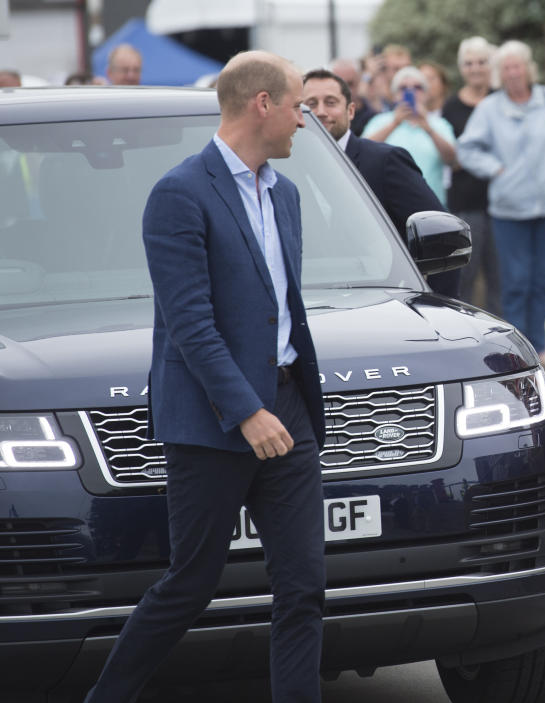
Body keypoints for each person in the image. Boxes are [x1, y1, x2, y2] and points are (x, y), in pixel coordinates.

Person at [83, 51, 326, 702]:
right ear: (262, 104)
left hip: (288, 406)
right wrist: (246, 409)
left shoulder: (288, 194)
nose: (306, 120)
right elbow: (190, 324)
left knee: (303, 586)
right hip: (216, 420)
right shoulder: (178, 194)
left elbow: (279, 306)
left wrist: (282, 399)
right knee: (191, 583)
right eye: (299, 105)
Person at [457, 40, 545, 369]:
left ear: (528, 68)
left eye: (518, 66)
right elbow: (467, 149)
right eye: (506, 68)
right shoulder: (489, 108)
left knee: (542, 279)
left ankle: (540, 346)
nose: (513, 73)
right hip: (508, 210)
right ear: (500, 74)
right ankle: (518, 351)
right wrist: (496, 170)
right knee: (515, 282)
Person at [302, 68, 459, 298]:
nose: (321, 112)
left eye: (331, 102)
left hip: (381, 303)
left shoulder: (384, 161)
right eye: (311, 103)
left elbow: (443, 239)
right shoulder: (286, 164)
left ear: (351, 110)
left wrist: (438, 306)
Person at [443, 36, 499, 313]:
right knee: (466, 276)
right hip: (466, 204)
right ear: (461, 68)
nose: (475, 68)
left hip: (502, 202)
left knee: (500, 279)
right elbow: (451, 158)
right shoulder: (451, 107)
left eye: (481, 62)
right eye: (469, 63)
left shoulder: (502, 100)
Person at [362, 66, 456, 207]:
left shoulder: (439, 124)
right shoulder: (380, 121)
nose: (411, 92)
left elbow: (452, 160)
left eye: (417, 87)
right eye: (403, 88)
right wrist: (395, 123)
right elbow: (363, 153)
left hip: (431, 207)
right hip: (389, 208)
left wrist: (429, 128)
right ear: (394, 95)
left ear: (425, 94)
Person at [331, 57, 378, 136]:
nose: (345, 90)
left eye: (350, 84)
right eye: (339, 84)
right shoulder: (323, 117)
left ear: (359, 81)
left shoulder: (373, 117)